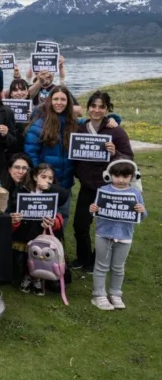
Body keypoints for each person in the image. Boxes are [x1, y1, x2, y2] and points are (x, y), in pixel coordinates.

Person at [72, 91, 134, 271]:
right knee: (80, 225)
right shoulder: (82, 128)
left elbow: (129, 159)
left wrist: (115, 152)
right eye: (93, 106)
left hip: (109, 188)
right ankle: (83, 258)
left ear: (107, 109)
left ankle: (95, 260)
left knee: (104, 228)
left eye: (101, 107)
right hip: (87, 186)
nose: (96, 110)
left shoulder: (116, 131)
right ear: (88, 107)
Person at [89, 160, 146, 310]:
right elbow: (95, 209)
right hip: (103, 233)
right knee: (101, 266)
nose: (120, 180)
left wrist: (141, 210)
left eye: (125, 176)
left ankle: (115, 293)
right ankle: (99, 294)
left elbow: (143, 214)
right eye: (117, 176)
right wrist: (92, 208)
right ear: (110, 175)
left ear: (132, 177)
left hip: (125, 235)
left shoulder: (134, 193)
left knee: (118, 267)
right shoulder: (104, 189)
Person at [10, 163, 69, 295]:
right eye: (43, 177)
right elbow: (14, 205)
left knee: (41, 256)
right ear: (35, 177)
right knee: (28, 255)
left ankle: (38, 279)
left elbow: (65, 196)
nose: (47, 180)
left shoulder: (53, 192)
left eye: (50, 178)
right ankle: (26, 276)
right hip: (25, 230)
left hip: (42, 231)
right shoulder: (23, 189)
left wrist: (50, 187)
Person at [24, 85, 79, 226]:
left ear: (68, 102)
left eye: (63, 99)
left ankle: (56, 247)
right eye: (55, 99)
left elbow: (92, 123)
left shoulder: (73, 123)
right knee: (41, 220)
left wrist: (112, 119)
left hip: (65, 183)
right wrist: (39, 178)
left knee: (61, 219)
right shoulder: (39, 124)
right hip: (45, 184)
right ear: (49, 100)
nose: (59, 102)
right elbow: (31, 154)